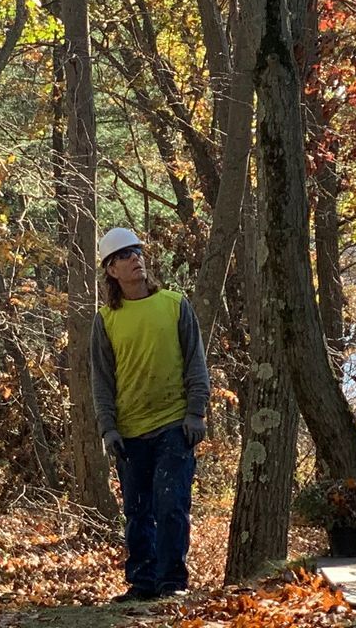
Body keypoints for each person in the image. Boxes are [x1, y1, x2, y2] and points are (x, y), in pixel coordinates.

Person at [90, 225, 210, 603]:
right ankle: (142, 582)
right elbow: (102, 380)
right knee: (138, 510)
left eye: (137, 252)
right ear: (111, 270)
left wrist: (196, 413)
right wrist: (108, 429)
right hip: (129, 430)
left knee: (171, 504)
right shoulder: (106, 319)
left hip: (175, 424)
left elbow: (196, 362)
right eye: (125, 256)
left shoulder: (175, 304)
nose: (136, 259)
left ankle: (171, 582)